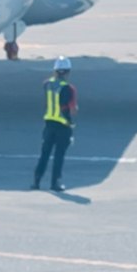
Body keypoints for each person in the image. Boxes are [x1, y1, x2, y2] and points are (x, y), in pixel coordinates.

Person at [30, 60, 77, 192]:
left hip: (48, 124)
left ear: (55, 70)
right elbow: (72, 109)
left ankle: (36, 181)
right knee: (59, 155)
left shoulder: (47, 84)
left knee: (44, 154)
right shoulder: (69, 88)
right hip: (63, 125)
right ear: (68, 72)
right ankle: (55, 183)